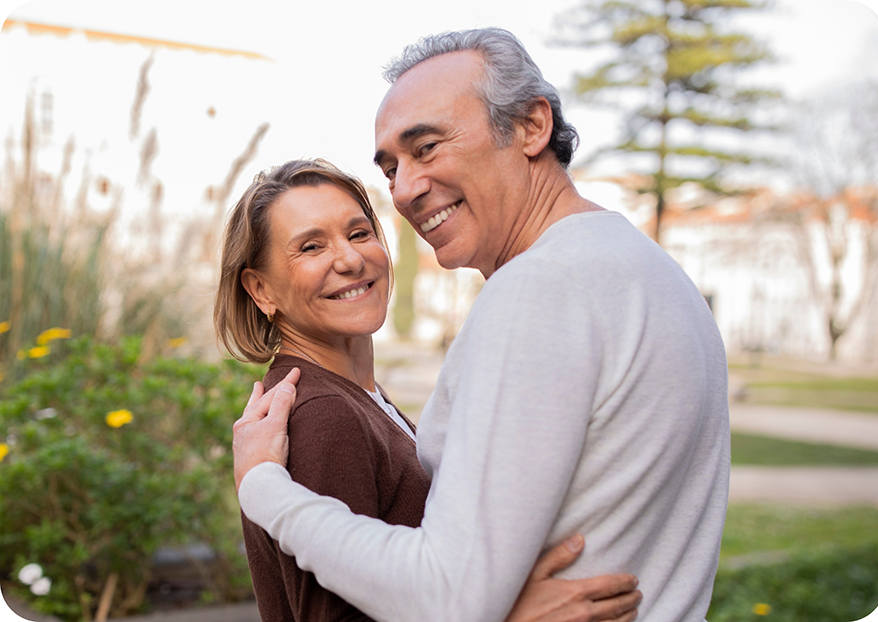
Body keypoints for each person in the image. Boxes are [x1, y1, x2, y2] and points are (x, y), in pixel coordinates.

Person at [234, 28, 730, 622]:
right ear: (258, 288)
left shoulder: (542, 287)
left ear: (530, 126)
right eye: (391, 167)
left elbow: (449, 594)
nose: (406, 188)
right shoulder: (650, 270)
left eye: (428, 147)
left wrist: (266, 491)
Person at [216, 158, 642, 622]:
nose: (350, 259)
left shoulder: (358, 395)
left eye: (359, 233)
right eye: (311, 246)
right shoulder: (320, 412)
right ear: (261, 290)